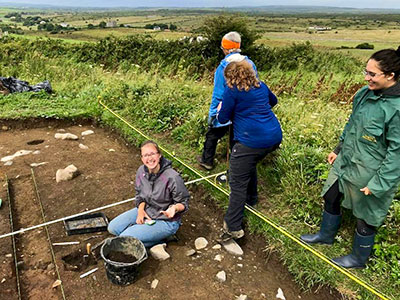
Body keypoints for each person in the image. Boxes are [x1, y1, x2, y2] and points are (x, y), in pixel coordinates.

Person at [301, 47, 400, 269]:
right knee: (331, 196)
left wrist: (379, 183)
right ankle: (325, 236)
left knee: (366, 217)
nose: (366, 78)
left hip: (371, 171)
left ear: (390, 75)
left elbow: (397, 153)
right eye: (366, 71)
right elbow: (352, 124)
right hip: (347, 160)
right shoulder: (364, 94)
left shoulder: (397, 109)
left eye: (372, 74)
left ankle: (358, 259)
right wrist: (338, 148)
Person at [217, 59, 282, 242]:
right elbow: (273, 101)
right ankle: (251, 200)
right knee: (249, 163)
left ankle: (233, 228)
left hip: (250, 140)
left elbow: (222, 119)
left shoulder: (232, 92)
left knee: (236, 184)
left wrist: (223, 108)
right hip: (273, 137)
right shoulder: (260, 86)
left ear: (230, 77)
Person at [108, 140, 189, 247]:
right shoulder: (141, 172)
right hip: (148, 210)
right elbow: (139, 195)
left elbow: (184, 203)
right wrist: (141, 211)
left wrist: (174, 208)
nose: (149, 158)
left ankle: (162, 238)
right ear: (142, 158)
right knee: (113, 228)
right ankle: (145, 235)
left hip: (166, 221)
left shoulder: (172, 177)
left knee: (124, 238)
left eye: (152, 154)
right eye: (145, 155)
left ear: (159, 155)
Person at [197, 31, 257, 170]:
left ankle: (207, 161)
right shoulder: (250, 64)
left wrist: (212, 114)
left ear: (226, 49)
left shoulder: (223, 67)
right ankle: (235, 167)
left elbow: (218, 93)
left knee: (213, 134)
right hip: (244, 109)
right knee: (235, 138)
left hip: (226, 108)